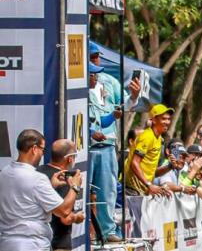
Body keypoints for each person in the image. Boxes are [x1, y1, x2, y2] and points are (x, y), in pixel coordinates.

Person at [0, 130, 84, 251]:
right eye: (42, 150)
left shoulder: (5, 173)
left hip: (6, 242)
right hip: (32, 244)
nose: (42, 154)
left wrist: (50, 186)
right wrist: (75, 187)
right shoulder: (37, 179)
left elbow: (26, 195)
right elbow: (63, 211)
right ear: (34, 149)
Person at [86, 60, 123, 242]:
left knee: (107, 191)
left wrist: (113, 116)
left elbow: (101, 121)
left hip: (105, 146)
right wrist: (92, 133)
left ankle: (107, 231)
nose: (96, 77)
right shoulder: (77, 94)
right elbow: (81, 124)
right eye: (92, 74)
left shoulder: (101, 89)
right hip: (87, 150)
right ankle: (83, 231)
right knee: (82, 192)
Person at [36, 140, 86, 251]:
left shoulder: (37, 173)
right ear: (70, 159)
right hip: (59, 243)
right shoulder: (65, 180)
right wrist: (78, 217)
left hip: (40, 240)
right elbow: (65, 217)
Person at [125, 104, 175, 196]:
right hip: (132, 190)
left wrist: (170, 166)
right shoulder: (147, 137)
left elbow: (152, 172)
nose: (167, 122)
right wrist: (149, 185)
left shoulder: (159, 139)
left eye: (168, 119)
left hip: (143, 191)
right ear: (154, 120)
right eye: (163, 118)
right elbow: (134, 163)